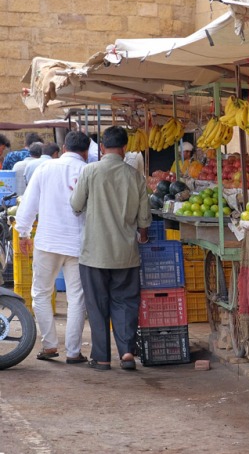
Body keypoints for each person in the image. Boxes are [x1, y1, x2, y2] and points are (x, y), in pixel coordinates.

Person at [70, 126, 151, 371]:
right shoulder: (135, 176)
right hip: (125, 254)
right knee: (125, 303)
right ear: (124, 148)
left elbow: (76, 205)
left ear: (102, 147)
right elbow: (144, 218)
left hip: (94, 254)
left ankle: (102, 357)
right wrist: (143, 238)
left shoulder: (89, 171)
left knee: (97, 305)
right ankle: (126, 352)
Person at [15, 131, 91, 364]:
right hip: (78, 244)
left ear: (64, 147)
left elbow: (28, 204)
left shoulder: (45, 169)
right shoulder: (87, 171)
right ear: (86, 151)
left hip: (47, 242)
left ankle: (49, 346)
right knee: (76, 298)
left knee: (41, 293)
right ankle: (73, 352)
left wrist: (23, 232)